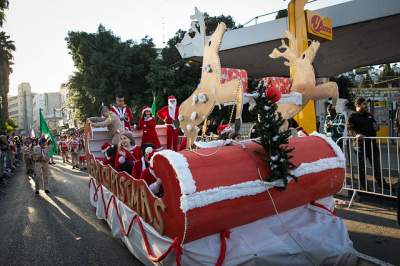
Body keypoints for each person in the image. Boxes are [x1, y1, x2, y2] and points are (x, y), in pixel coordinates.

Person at [348, 97, 389, 189]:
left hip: (372, 145)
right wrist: (356, 134)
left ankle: (382, 183)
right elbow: (350, 129)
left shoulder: (369, 115)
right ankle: (364, 186)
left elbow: (374, 125)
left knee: (376, 165)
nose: (366, 106)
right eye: (364, 104)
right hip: (360, 146)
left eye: (366, 104)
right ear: (358, 105)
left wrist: (376, 127)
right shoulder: (353, 116)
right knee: (362, 167)